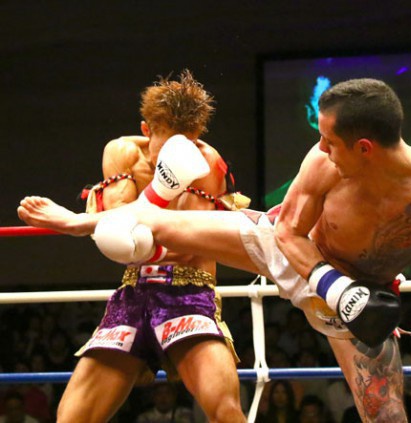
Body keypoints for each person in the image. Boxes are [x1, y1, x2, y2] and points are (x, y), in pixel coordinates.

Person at [18, 78, 411, 422]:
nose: (318, 147)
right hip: (292, 253)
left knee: (386, 415)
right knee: (148, 225)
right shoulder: (323, 164)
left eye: (328, 138)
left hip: (361, 297)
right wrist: (335, 288)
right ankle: (77, 222)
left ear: (364, 147)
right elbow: (288, 233)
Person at [19, 70, 248, 423]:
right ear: (146, 130)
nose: (179, 153)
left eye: (188, 143)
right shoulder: (122, 152)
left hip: (188, 292)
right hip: (134, 292)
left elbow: (188, 243)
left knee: (224, 410)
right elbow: (117, 237)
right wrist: (126, 224)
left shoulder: (206, 161)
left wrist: (75, 222)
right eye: (168, 144)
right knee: (72, 417)